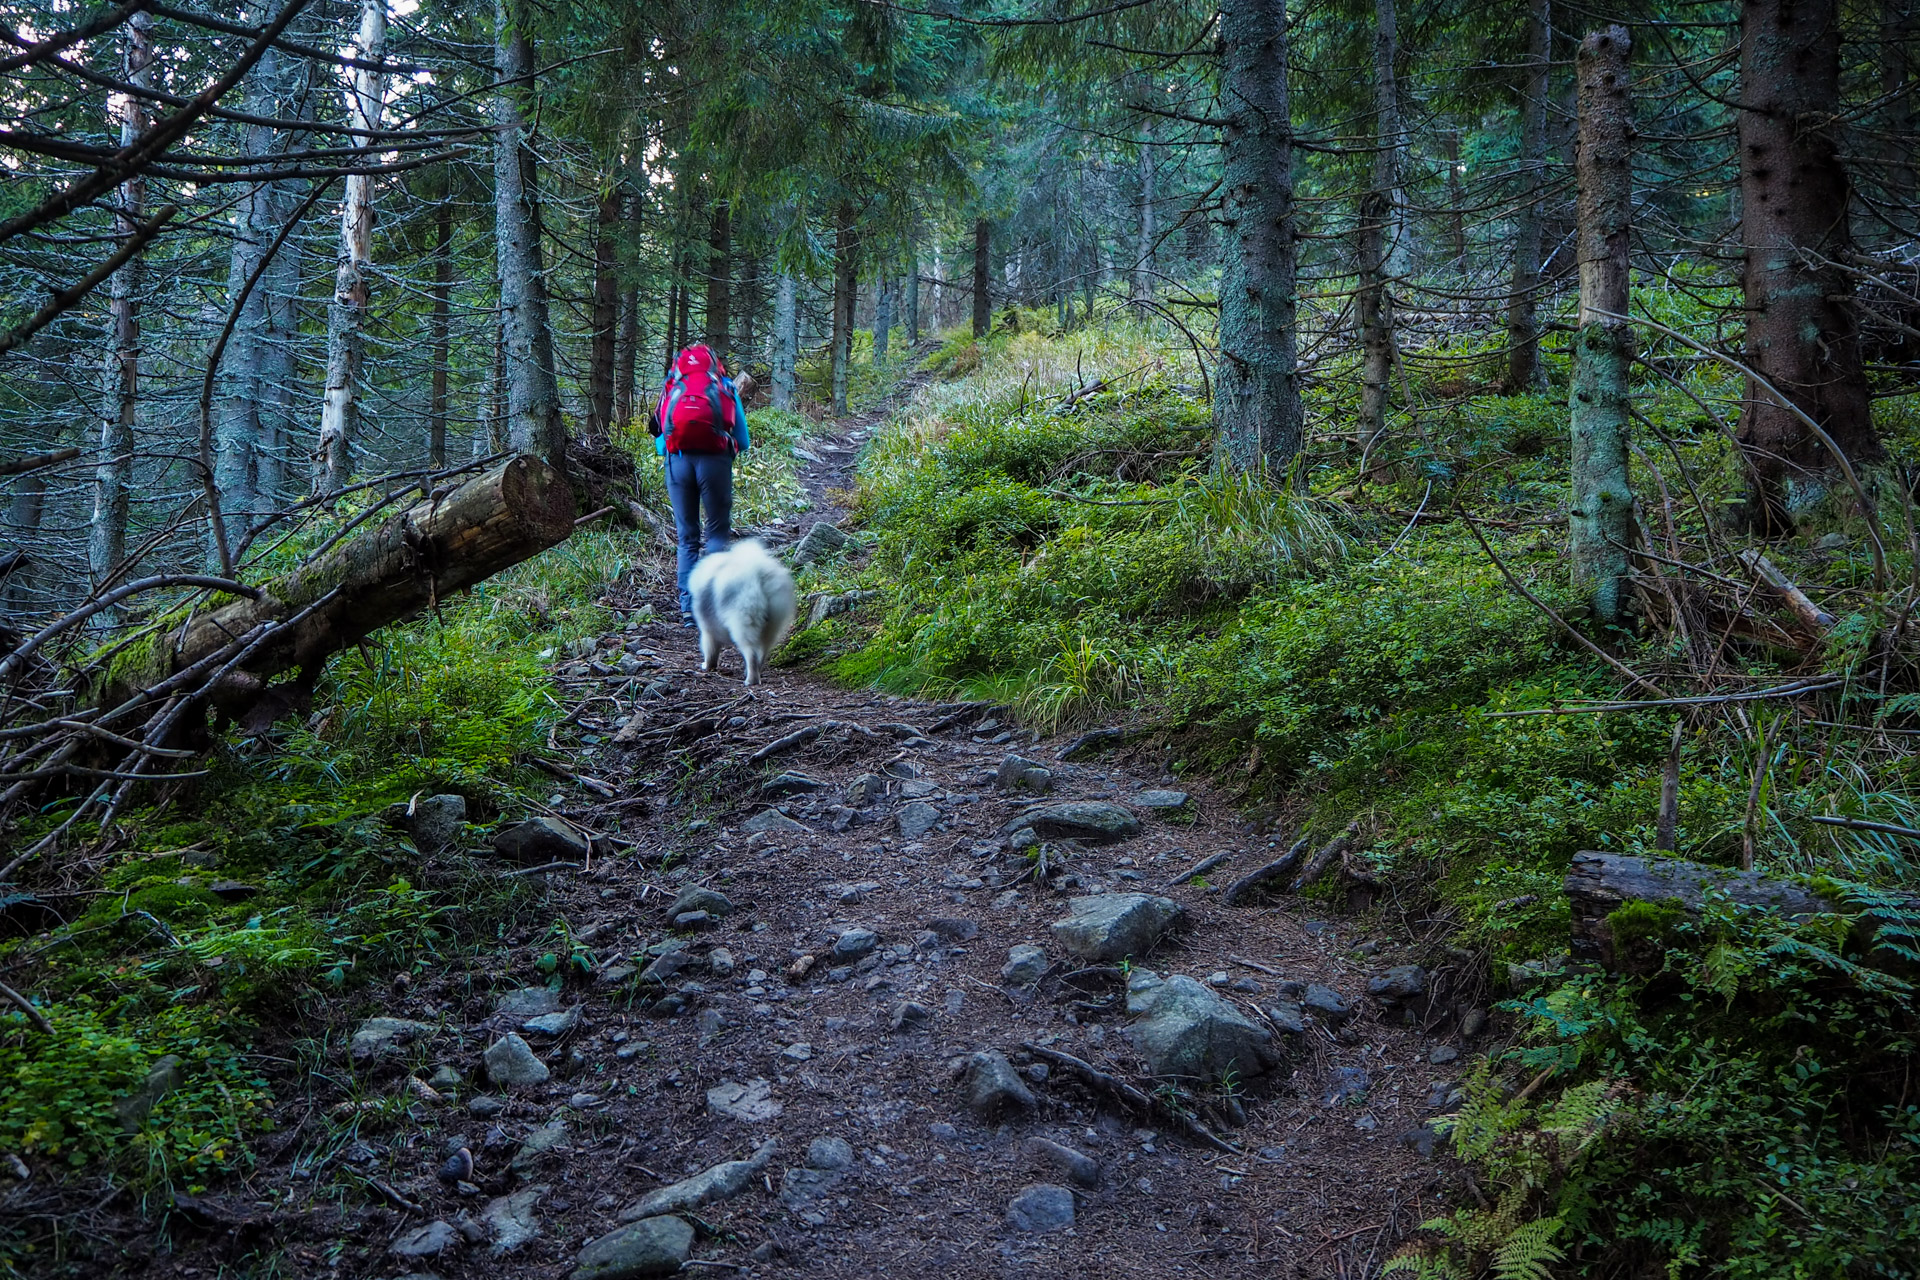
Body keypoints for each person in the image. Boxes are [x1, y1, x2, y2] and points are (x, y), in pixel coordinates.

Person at [651, 343, 751, 626]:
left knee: (687, 537)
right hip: (716, 463)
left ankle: (688, 609)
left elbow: (661, 443)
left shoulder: (672, 388)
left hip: (678, 462)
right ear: (713, 365)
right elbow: (743, 441)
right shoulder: (726, 386)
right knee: (717, 533)